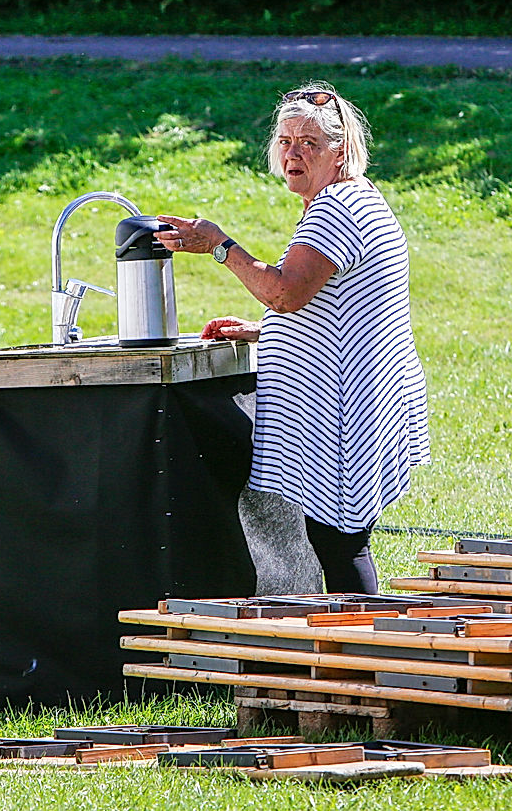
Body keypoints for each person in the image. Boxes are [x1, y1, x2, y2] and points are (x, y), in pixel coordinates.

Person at [157, 82, 430, 595]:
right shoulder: (350, 199)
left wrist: (220, 246)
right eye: (285, 141)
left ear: (340, 150)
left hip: (348, 408)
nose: (293, 153)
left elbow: (285, 293)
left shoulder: (336, 208)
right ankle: (358, 652)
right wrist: (266, 331)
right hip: (365, 396)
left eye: (309, 143)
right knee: (336, 539)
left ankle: (366, 658)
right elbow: (343, 303)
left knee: (340, 542)